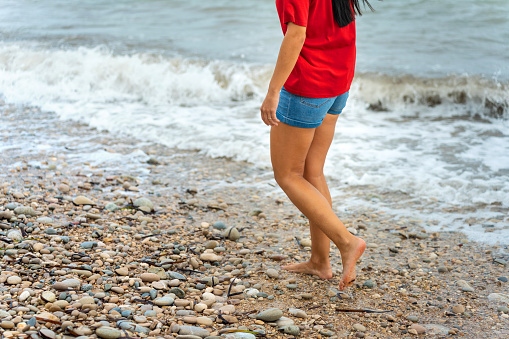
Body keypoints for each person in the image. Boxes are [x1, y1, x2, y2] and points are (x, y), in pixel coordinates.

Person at [260, 0, 373, 290]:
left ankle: (347, 243)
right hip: (339, 79)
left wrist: (273, 92)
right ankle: (321, 262)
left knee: (287, 175)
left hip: (308, 85)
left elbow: (296, 34)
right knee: (312, 172)